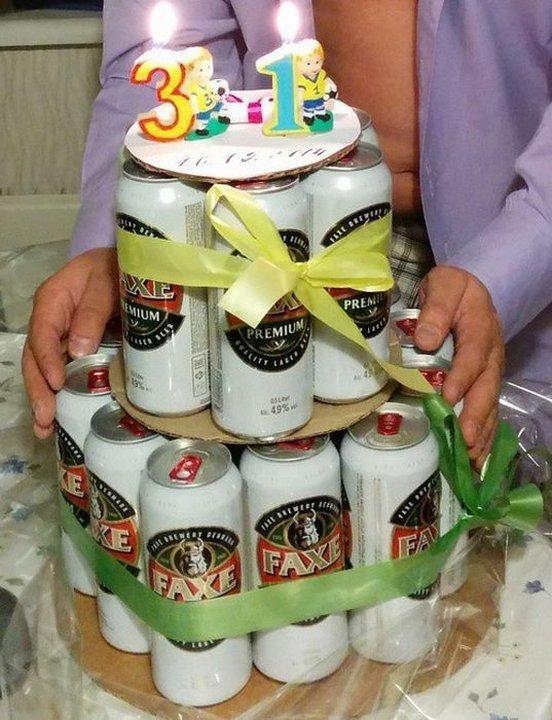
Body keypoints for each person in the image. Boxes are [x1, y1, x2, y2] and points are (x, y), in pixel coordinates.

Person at [26, 0, 550, 468]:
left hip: (518, 232)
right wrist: (120, 241)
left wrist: (508, 268)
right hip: (264, 225)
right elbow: (164, 58)